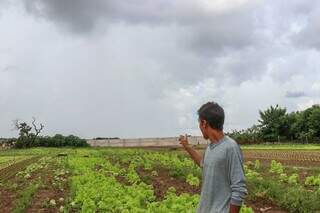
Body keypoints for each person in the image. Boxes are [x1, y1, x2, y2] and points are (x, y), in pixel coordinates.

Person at [179, 102, 247, 213]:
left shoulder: (230, 147)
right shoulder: (210, 148)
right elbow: (203, 164)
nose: (200, 128)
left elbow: (239, 189)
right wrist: (187, 147)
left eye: (199, 124)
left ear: (204, 123)